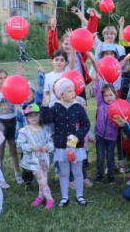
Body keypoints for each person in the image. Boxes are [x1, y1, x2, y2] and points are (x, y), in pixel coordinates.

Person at [41, 78, 90, 207]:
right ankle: (64, 197)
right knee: (64, 173)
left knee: (78, 171)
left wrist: (78, 137)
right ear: (61, 94)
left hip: (76, 146)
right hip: (61, 146)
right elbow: (46, 120)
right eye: (69, 91)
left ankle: (80, 195)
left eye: (73, 90)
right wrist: (45, 106)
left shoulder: (78, 107)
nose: (73, 93)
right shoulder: (55, 107)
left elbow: (86, 124)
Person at [17, 104, 55, 209]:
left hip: (44, 159)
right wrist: (31, 147)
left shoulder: (45, 129)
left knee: (43, 180)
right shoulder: (24, 131)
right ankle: (50, 199)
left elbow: (51, 142)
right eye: (30, 116)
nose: (33, 118)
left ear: (40, 116)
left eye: (36, 115)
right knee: (41, 179)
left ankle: (40, 197)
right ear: (26, 118)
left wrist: (47, 147)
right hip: (33, 160)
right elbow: (20, 145)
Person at [93, 83, 119, 184]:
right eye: (106, 95)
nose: (108, 98)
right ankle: (99, 175)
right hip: (100, 136)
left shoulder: (117, 106)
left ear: (115, 95)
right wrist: (96, 80)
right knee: (100, 156)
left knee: (110, 156)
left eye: (111, 95)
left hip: (112, 137)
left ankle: (111, 176)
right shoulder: (100, 103)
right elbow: (97, 90)